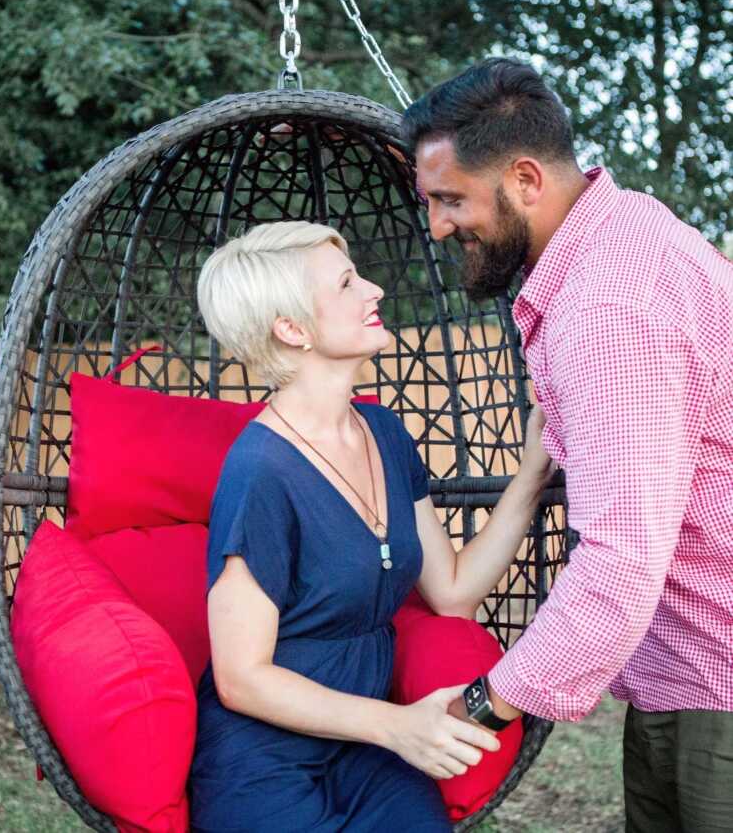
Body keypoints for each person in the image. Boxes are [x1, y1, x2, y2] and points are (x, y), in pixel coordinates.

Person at [403, 57, 733, 833]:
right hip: (689, 671)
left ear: (524, 179)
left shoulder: (609, 308)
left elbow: (619, 565)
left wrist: (479, 706)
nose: (439, 226)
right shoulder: (627, 229)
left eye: (451, 199)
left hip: (717, 685)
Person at [189, 220, 555, 832]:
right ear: (292, 328)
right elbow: (240, 678)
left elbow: (454, 591)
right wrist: (400, 726)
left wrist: (529, 479)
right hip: (262, 763)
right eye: (346, 282)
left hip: (365, 749)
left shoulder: (383, 433)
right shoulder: (260, 471)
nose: (375, 290)